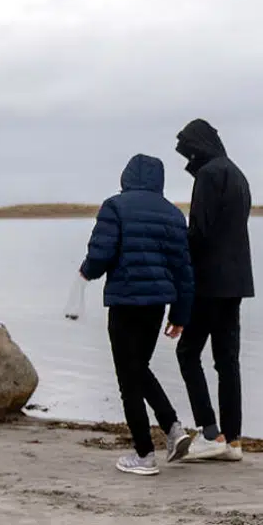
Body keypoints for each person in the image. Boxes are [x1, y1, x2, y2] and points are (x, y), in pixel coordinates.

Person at [77, 154, 195, 476]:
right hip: (156, 306)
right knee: (138, 369)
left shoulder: (114, 207)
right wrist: (180, 315)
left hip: (125, 301)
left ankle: (144, 454)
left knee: (128, 377)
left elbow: (101, 253)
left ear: (126, 177)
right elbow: (184, 271)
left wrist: (85, 273)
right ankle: (172, 429)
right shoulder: (173, 214)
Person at [172, 118, 254, 462]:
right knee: (227, 360)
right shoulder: (238, 175)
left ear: (199, 145)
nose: (187, 157)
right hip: (236, 282)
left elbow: (200, 231)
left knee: (188, 354)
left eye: (189, 149)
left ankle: (210, 432)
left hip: (208, 282)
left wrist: (178, 259)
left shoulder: (208, 175)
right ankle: (233, 439)